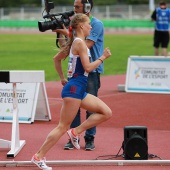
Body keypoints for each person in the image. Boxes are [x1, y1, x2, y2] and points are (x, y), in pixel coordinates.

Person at [31, 13, 112, 170]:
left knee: (106, 112)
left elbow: (61, 57)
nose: (90, 26)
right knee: (62, 126)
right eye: (88, 24)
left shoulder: (77, 41)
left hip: (78, 89)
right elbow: (88, 68)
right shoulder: (80, 43)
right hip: (74, 89)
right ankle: (38, 156)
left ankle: (76, 132)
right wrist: (103, 57)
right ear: (81, 26)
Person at [54, 0, 105, 151]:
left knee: (92, 108)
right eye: (74, 7)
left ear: (87, 7)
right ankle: (73, 136)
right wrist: (62, 34)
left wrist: (68, 34)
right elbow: (71, 47)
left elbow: (85, 45)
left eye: (77, 7)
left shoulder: (95, 24)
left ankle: (89, 138)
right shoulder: (76, 23)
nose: (74, 9)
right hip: (77, 72)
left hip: (91, 71)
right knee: (74, 108)